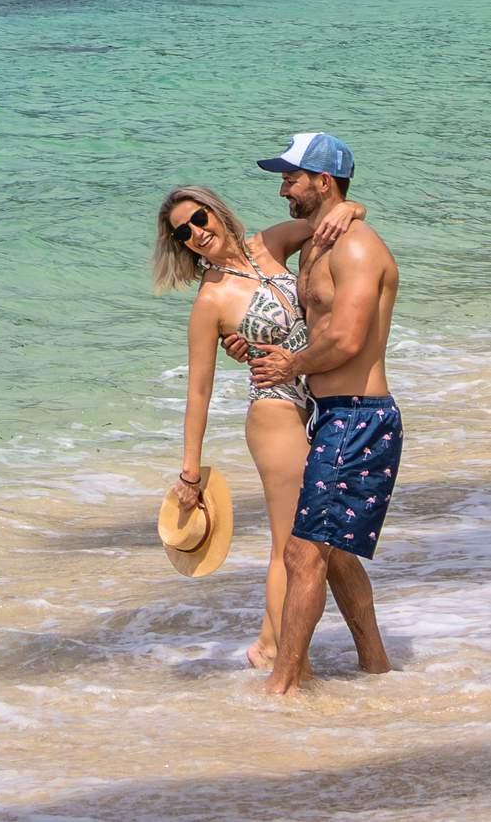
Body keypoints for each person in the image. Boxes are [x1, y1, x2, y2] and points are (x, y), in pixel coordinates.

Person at [153, 184, 366, 670]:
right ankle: (277, 654)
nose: (196, 233)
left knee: (323, 540)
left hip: (322, 403)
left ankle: (271, 644)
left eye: (199, 219)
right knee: (292, 543)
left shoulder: (271, 243)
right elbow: (198, 391)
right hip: (275, 411)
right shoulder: (210, 301)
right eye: (183, 233)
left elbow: (329, 227)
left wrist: (353, 206)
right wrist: (190, 473)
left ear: (216, 212)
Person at [224, 132, 403, 694]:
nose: (283, 190)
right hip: (331, 414)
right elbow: (311, 326)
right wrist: (260, 346)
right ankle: (376, 668)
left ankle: (283, 687)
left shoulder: (355, 248)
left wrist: (291, 366)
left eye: (291, 179)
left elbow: (347, 339)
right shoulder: (317, 245)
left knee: (304, 553)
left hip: (358, 416)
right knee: (336, 555)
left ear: (323, 182)